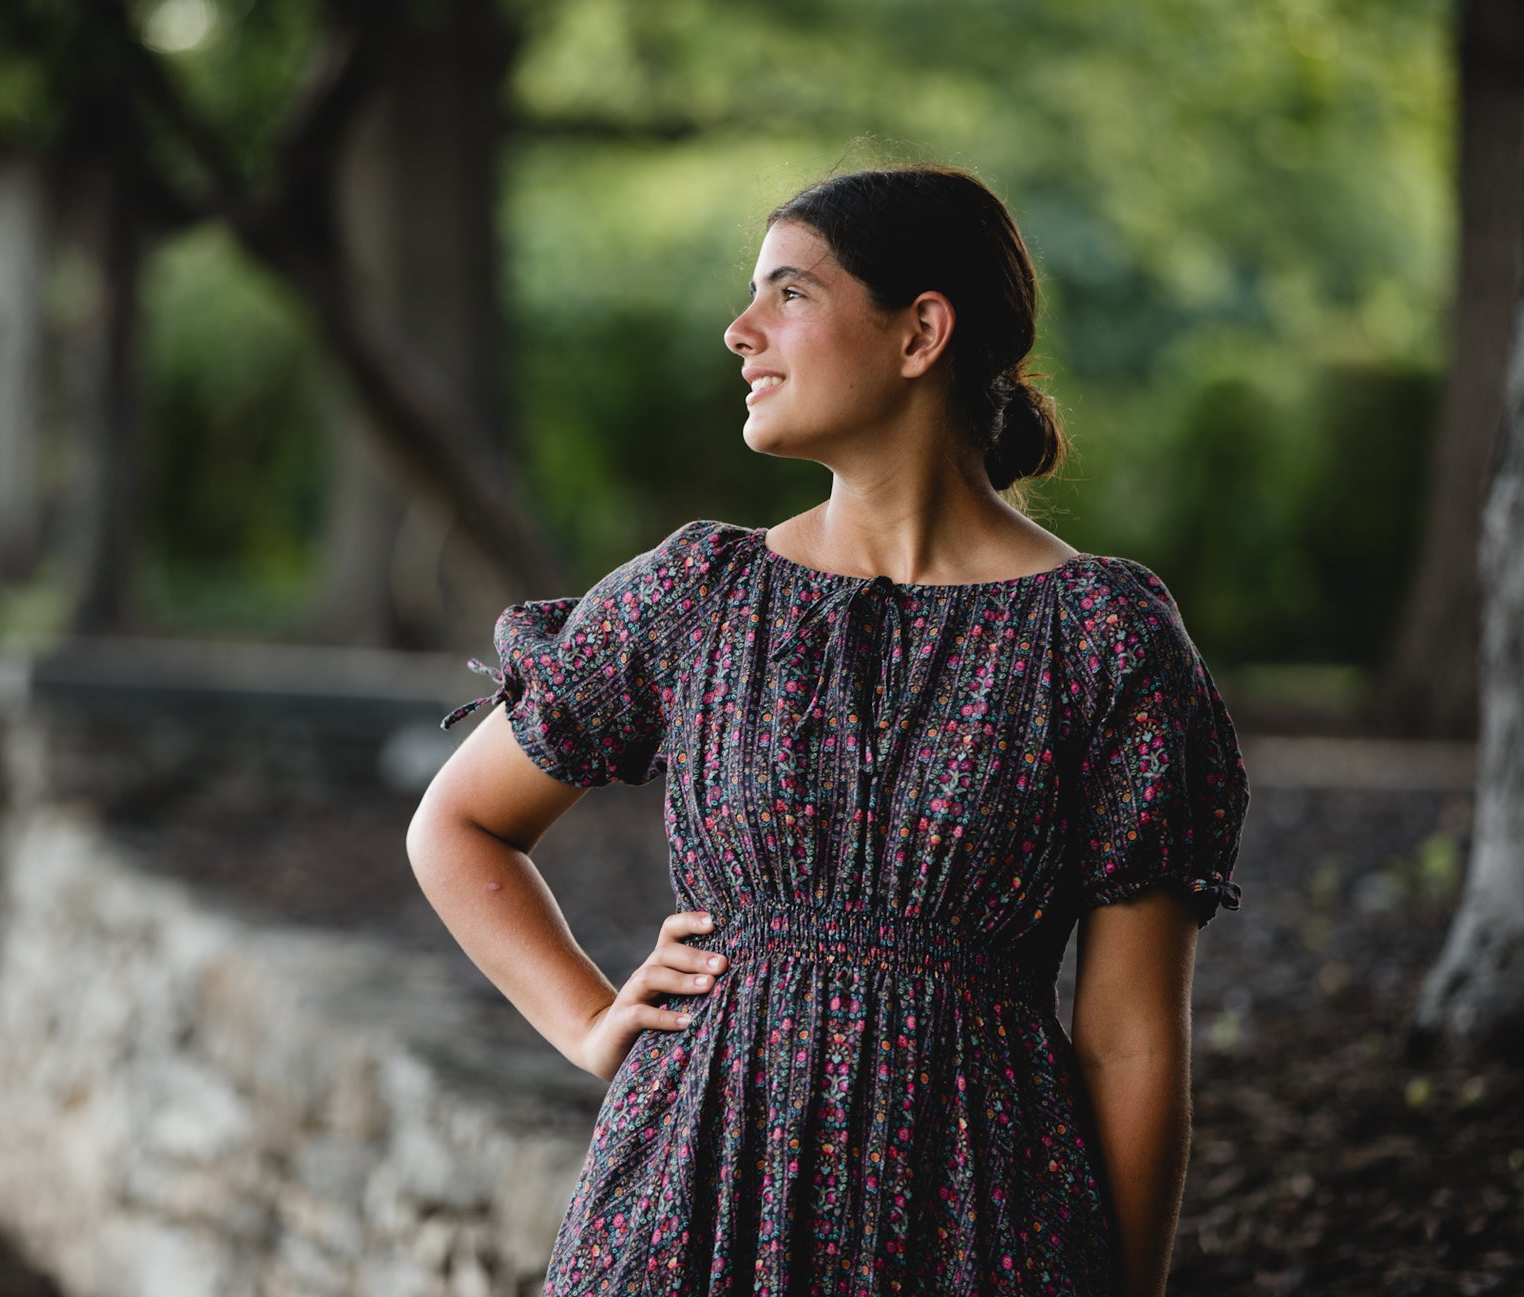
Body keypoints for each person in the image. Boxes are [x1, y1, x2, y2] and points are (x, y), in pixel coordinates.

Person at [410, 163, 1249, 1297]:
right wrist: (585, 1020)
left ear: (920, 334)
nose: (738, 330)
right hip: (691, 1198)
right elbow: (459, 824)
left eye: (787, 294)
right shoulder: (696, 595)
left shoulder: (1102, 639)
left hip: (978, 1214)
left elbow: (1130, 1038)